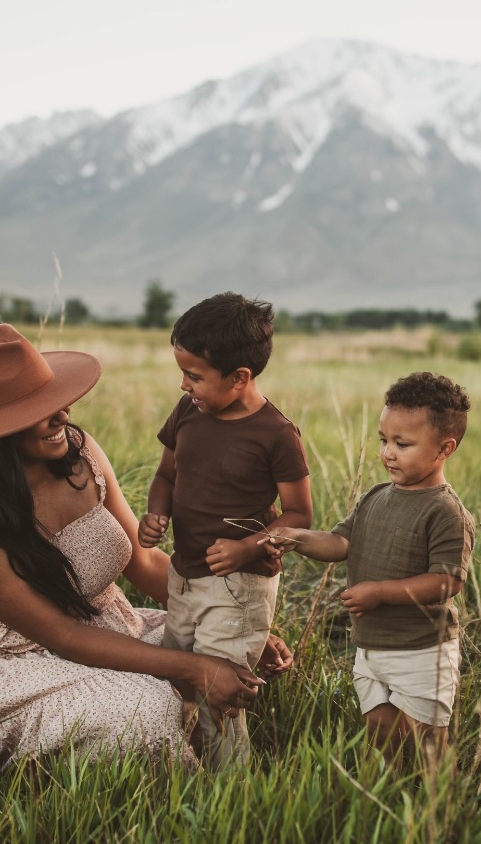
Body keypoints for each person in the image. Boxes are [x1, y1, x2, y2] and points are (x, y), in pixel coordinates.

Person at [0, 324, 292, 765]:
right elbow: (61, 634)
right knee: (148, 709)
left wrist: (233, 622)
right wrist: (195, 669)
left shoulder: (80, 454)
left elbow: (145, 561)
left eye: (56, 401)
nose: (63, 415)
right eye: (39, 409)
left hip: (106, 627)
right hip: (6, 663)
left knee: (227, 650)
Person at [137, 292, 313, 769]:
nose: (183, 384)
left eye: (194, 376)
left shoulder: (275, 434)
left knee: (220, 688)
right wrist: (157, 515)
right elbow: (166, 476)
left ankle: (233, 790)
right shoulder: (189, 414)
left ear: (240, 378)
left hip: (240, 586)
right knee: (179, 680)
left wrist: (246, 548)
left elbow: (299, 515)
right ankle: (185, 769)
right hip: (185, 576)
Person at [264, 372, 475, 764]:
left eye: (403, 444)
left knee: (428, 740)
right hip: (371, 645)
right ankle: (391, 797)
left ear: (445, 448)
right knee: (380, 729)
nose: (388, 453)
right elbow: (341, 542)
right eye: (383, 440)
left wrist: (379, 592)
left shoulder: (446, 511)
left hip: (421, 650)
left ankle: (439, 807)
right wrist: (299, 538)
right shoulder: (376, 497)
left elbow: (447, 581)